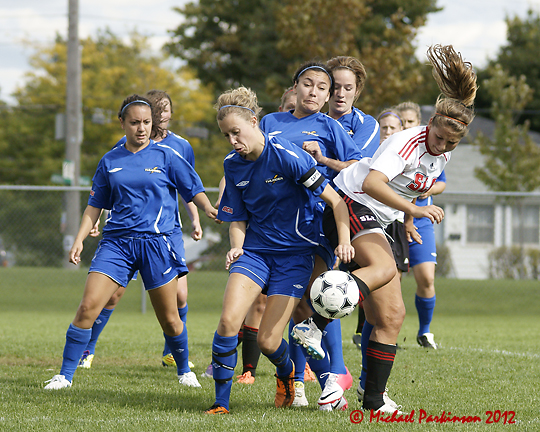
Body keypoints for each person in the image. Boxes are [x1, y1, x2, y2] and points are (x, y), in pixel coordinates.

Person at [292, 44, 478, 413]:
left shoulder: (443, 151)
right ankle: (311, 323)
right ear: (431, 123)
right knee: (384, 268)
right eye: (438, 137)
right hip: (352, 202)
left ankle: (373, 400)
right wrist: (415, 211)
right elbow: (376, 183)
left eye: (450, 142)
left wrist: (408, 219)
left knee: (391, 317)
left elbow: (415, 184)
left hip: (383, 218)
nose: (442, 145)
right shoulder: (405, 142)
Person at [44, 94, 219, 390]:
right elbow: (95, 204)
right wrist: (79, 239)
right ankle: (65, 376)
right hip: (117, 245)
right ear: (122, 123)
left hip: (156, 244)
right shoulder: (110, 160)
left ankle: (183, 370)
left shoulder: (167, 156)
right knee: (88, 307)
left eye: (147, 122)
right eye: (135, 122)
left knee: (170, 319)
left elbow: (193, 189)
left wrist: (209, 209)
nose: (141, 128)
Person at [204, 86, 354, 414]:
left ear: (255, 122)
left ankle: (287, 373)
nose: (232, 141)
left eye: (236, 132)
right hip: (255, 253)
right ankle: (220, 403)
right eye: (226, 136)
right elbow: (238, 219)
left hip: (294, 256)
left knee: (268, 342)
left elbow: (335, 201)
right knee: (229, 321)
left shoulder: (286, 155)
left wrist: (343, 240)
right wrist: (236, 248)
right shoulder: (233, 165)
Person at [260, 61, 362, 410]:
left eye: (322, 86)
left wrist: (324, 160)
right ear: (296, 87)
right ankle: (302, 383)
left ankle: (328, 379)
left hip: (315, 224)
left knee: (317, 299)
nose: (314, 91)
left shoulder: (330, 127)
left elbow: (357, 168)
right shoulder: (270, 123)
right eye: (308, 84)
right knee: (292, 306)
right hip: (272, 227)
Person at [77, 90, 202, 370]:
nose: (160, 115)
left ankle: (173, 353)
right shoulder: (121, 147)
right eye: (155, 110)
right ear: (127, 121)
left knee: (178, 298)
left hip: (165, 234)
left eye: (165, 109)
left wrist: (196, 218)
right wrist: (95, 219)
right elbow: (115, 186)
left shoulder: (179, 147)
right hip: (123, 236)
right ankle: (87, 349)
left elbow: (189, 187)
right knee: (112, 294)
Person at [395, 101, 446, 349]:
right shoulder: (395, 149)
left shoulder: (433, 151)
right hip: (392, 220)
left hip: (420, 221)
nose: (406, 126)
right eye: (401, 121)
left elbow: (441, 182)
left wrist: (425, 188)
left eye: (410, 121)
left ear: (421, 124)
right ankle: (382, 331)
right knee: (391, 280)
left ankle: (425, 332)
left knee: (426, 277)